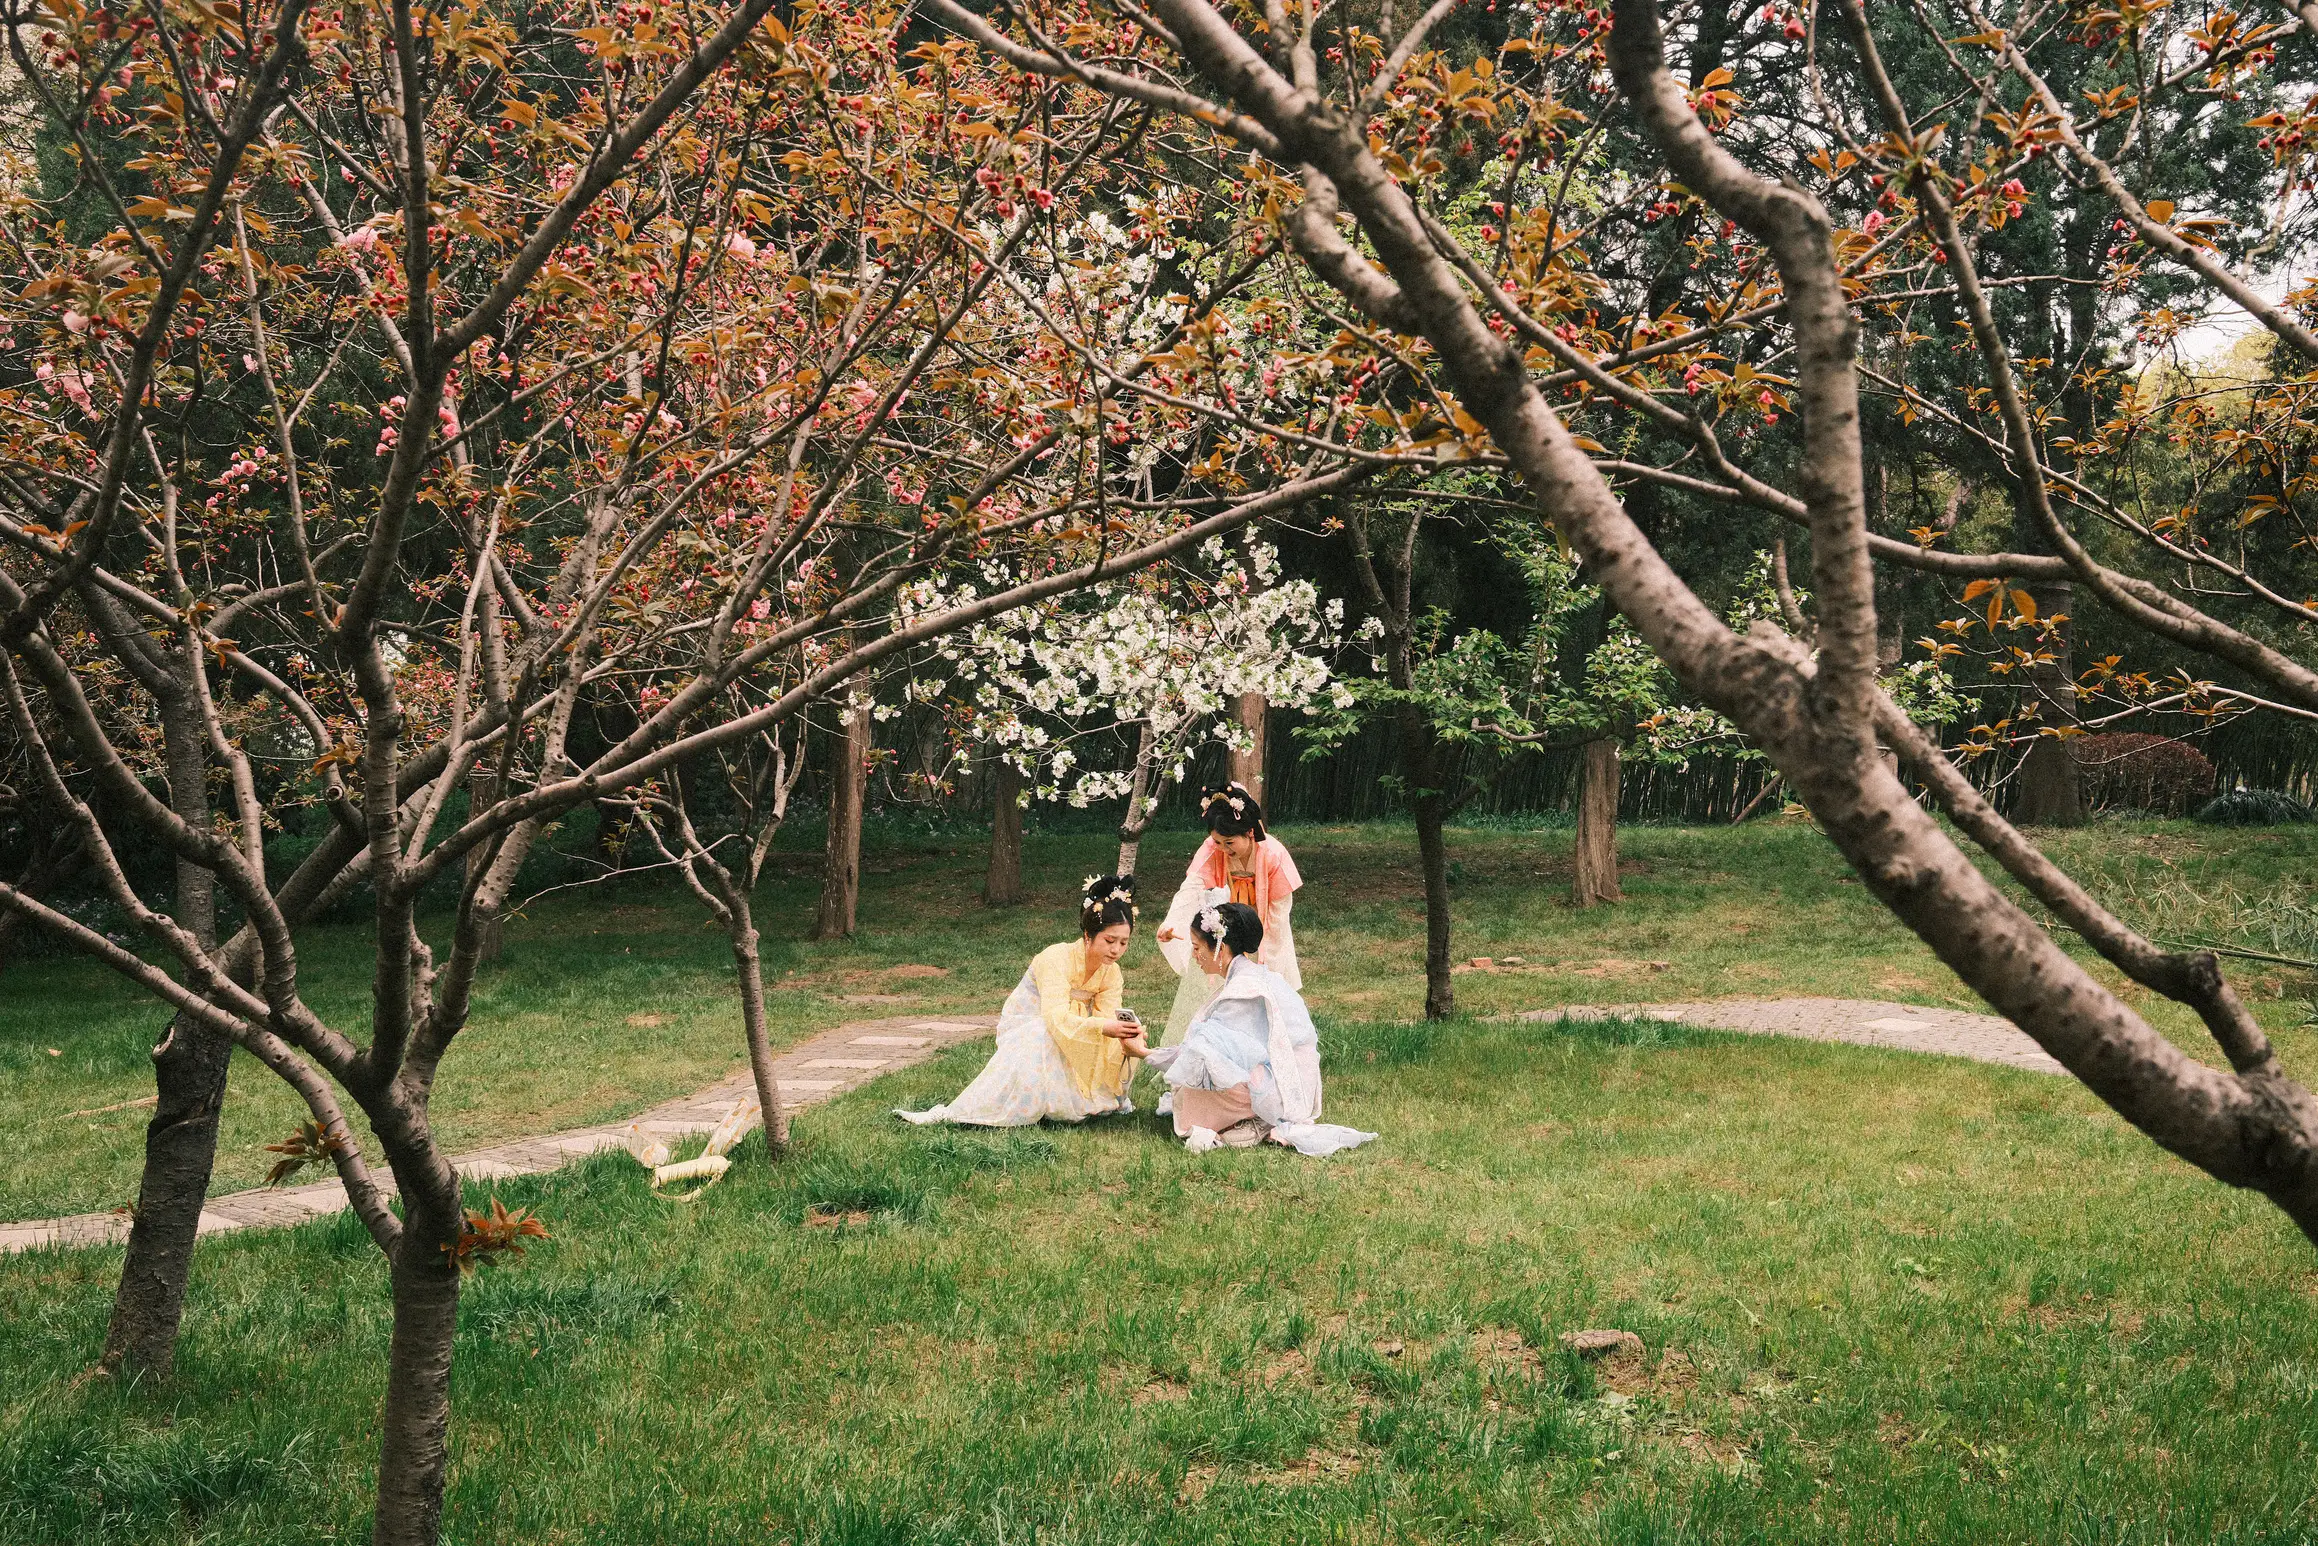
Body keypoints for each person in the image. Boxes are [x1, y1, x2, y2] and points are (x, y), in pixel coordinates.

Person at [895, 875, 1149, 1127]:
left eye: (1123, 942)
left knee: (1125, 1032)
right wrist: (1103, 1027)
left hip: (1077, 1022)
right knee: (1044, 1033)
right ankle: (974, 1109)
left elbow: (1106, 1015)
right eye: (1109, 940)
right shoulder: (1055, 957)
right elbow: (1054, 1016)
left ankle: (1107, 1096)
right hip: (1032, 1022)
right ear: (1087, 935)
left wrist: (1122, 1030)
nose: (1116, 949)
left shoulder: (1111, 972)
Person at [1146, 901, 1375, 1157]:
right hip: (1286, 1073)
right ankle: (1255, 1114)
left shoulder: (1243, 989)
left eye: (1197, 948)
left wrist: (1144, 1053)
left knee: (1191, 1094)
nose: (1193, 955)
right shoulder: (1251, 976)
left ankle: (1259, 1118)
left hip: (1280, 1083)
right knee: (1193, 1084)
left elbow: (1201, 1054)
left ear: (1221, 949)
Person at [1156, 782, 1303, 1047]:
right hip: (1227, 928)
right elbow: (1192, 887)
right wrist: (1172, 923)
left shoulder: (1273, 854)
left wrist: (1261, 955)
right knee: (1217, 982)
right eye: (1217, 841)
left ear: (1249, 832)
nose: (1223, 848)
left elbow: (1279, 913)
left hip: (1266, 928)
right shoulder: (1213, 849)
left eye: (1230, 842)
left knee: (1266, 989)